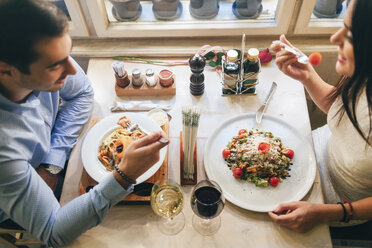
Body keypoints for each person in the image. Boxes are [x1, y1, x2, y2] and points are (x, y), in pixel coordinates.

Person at [0, 0, 168, 247]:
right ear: (7, 72)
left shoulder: (46, 59)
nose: (72, 68)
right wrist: (124, 176)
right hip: (23, 213)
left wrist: (52, 163)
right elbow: (54, 233)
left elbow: (82, 93)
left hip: (53, 163)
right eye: (55, 64)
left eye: (68, 53)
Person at [268, 0, 371, 233]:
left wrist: (332, 212)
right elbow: (341, 114)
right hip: (313, 152)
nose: (335, 38)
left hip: (342, 205)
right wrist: (308, 77)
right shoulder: (362, 74)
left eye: (351, 36)